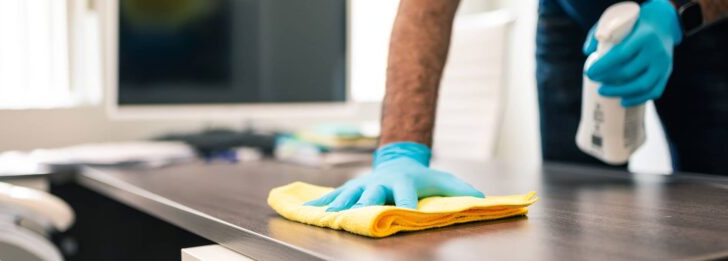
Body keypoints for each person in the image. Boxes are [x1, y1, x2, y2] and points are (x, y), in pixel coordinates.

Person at [306, 0, 728, 212]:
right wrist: (400, 150)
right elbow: (426, 9)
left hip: (698, 16)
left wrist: (681, 14)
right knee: (581, 211)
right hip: (571, 11)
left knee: (715, 198)